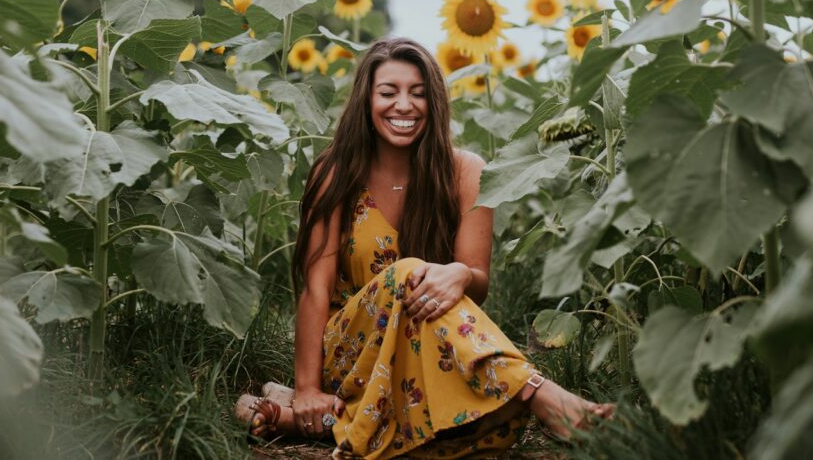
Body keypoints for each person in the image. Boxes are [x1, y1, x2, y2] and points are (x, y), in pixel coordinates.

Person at [236, 37, 613, 458]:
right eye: (388, 92)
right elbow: (315, 289)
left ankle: (320, 421)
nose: (404, 106)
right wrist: (307, 387)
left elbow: (477, 282)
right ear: (366, 99)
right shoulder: (336, 170)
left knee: (490, 424)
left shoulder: (466, 172)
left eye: (418, 94)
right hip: (353, 351)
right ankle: (538, 393)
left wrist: (461, 274)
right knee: (409, 271)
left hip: (427, 348)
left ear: (434, 102)